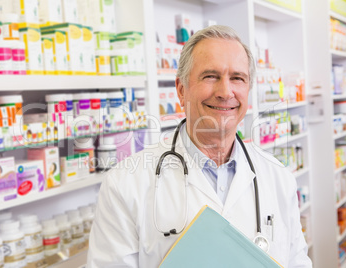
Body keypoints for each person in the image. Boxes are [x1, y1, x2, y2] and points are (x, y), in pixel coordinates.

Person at [87, 25, 312, 268]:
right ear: (181, 90)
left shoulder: (278, 177)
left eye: (237, 78)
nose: (226, 92)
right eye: (210, 76)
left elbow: (297, 262)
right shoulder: (125, 184)